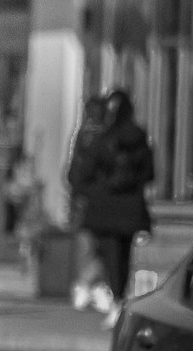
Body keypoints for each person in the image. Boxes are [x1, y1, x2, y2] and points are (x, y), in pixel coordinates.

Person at [78, 88, 154, 328]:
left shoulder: (105, 138)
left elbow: (85, 172)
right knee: (124, 257)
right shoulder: (140, 138)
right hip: (130, 209)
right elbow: (150, 173)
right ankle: (119, 301)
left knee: (109, 256)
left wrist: (95, 189)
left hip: (106, 209)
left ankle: (114, 301)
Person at [65, 95, 110, 313]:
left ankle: (89, 285)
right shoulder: (95, 137)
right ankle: (89, 285)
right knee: (94, 245)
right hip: (95, 199)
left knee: (89, 244)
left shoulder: (84, 136)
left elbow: (74, 171)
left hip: (87, 198)